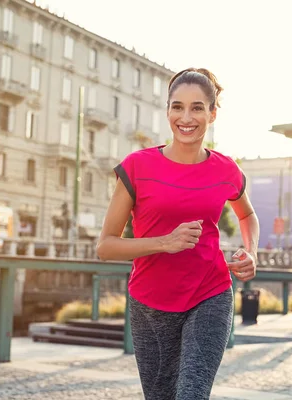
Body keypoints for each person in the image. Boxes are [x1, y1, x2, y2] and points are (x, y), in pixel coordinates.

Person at [96, 67, 260, 400]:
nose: (186, 117)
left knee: (191, 394)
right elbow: (106, 247)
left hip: (209, 295)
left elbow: (248, 214)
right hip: (149, 304)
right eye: (178, 107)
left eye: (197, 107)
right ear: (168, 110)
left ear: (212, 114)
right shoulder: (137, 167)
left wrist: (251, 251)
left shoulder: (226, 169)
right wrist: (164, 243)